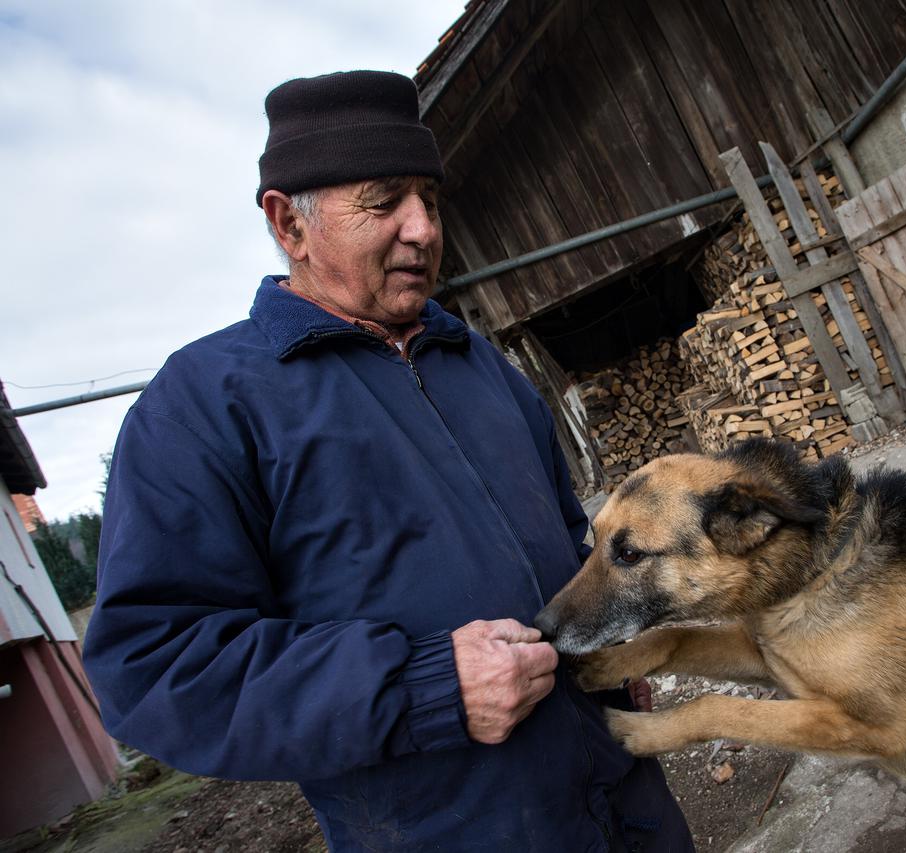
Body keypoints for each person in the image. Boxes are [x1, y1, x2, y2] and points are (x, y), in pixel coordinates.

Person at [83, 70, 693, 852]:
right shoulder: (204, 407)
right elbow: (155, 666)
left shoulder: (479, 364)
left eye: (430, 201)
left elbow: (565, 540)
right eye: (383, 200)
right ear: (288, 224)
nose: (424, 229)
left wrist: (604, 635)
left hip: (629, 805)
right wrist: (425, 688)